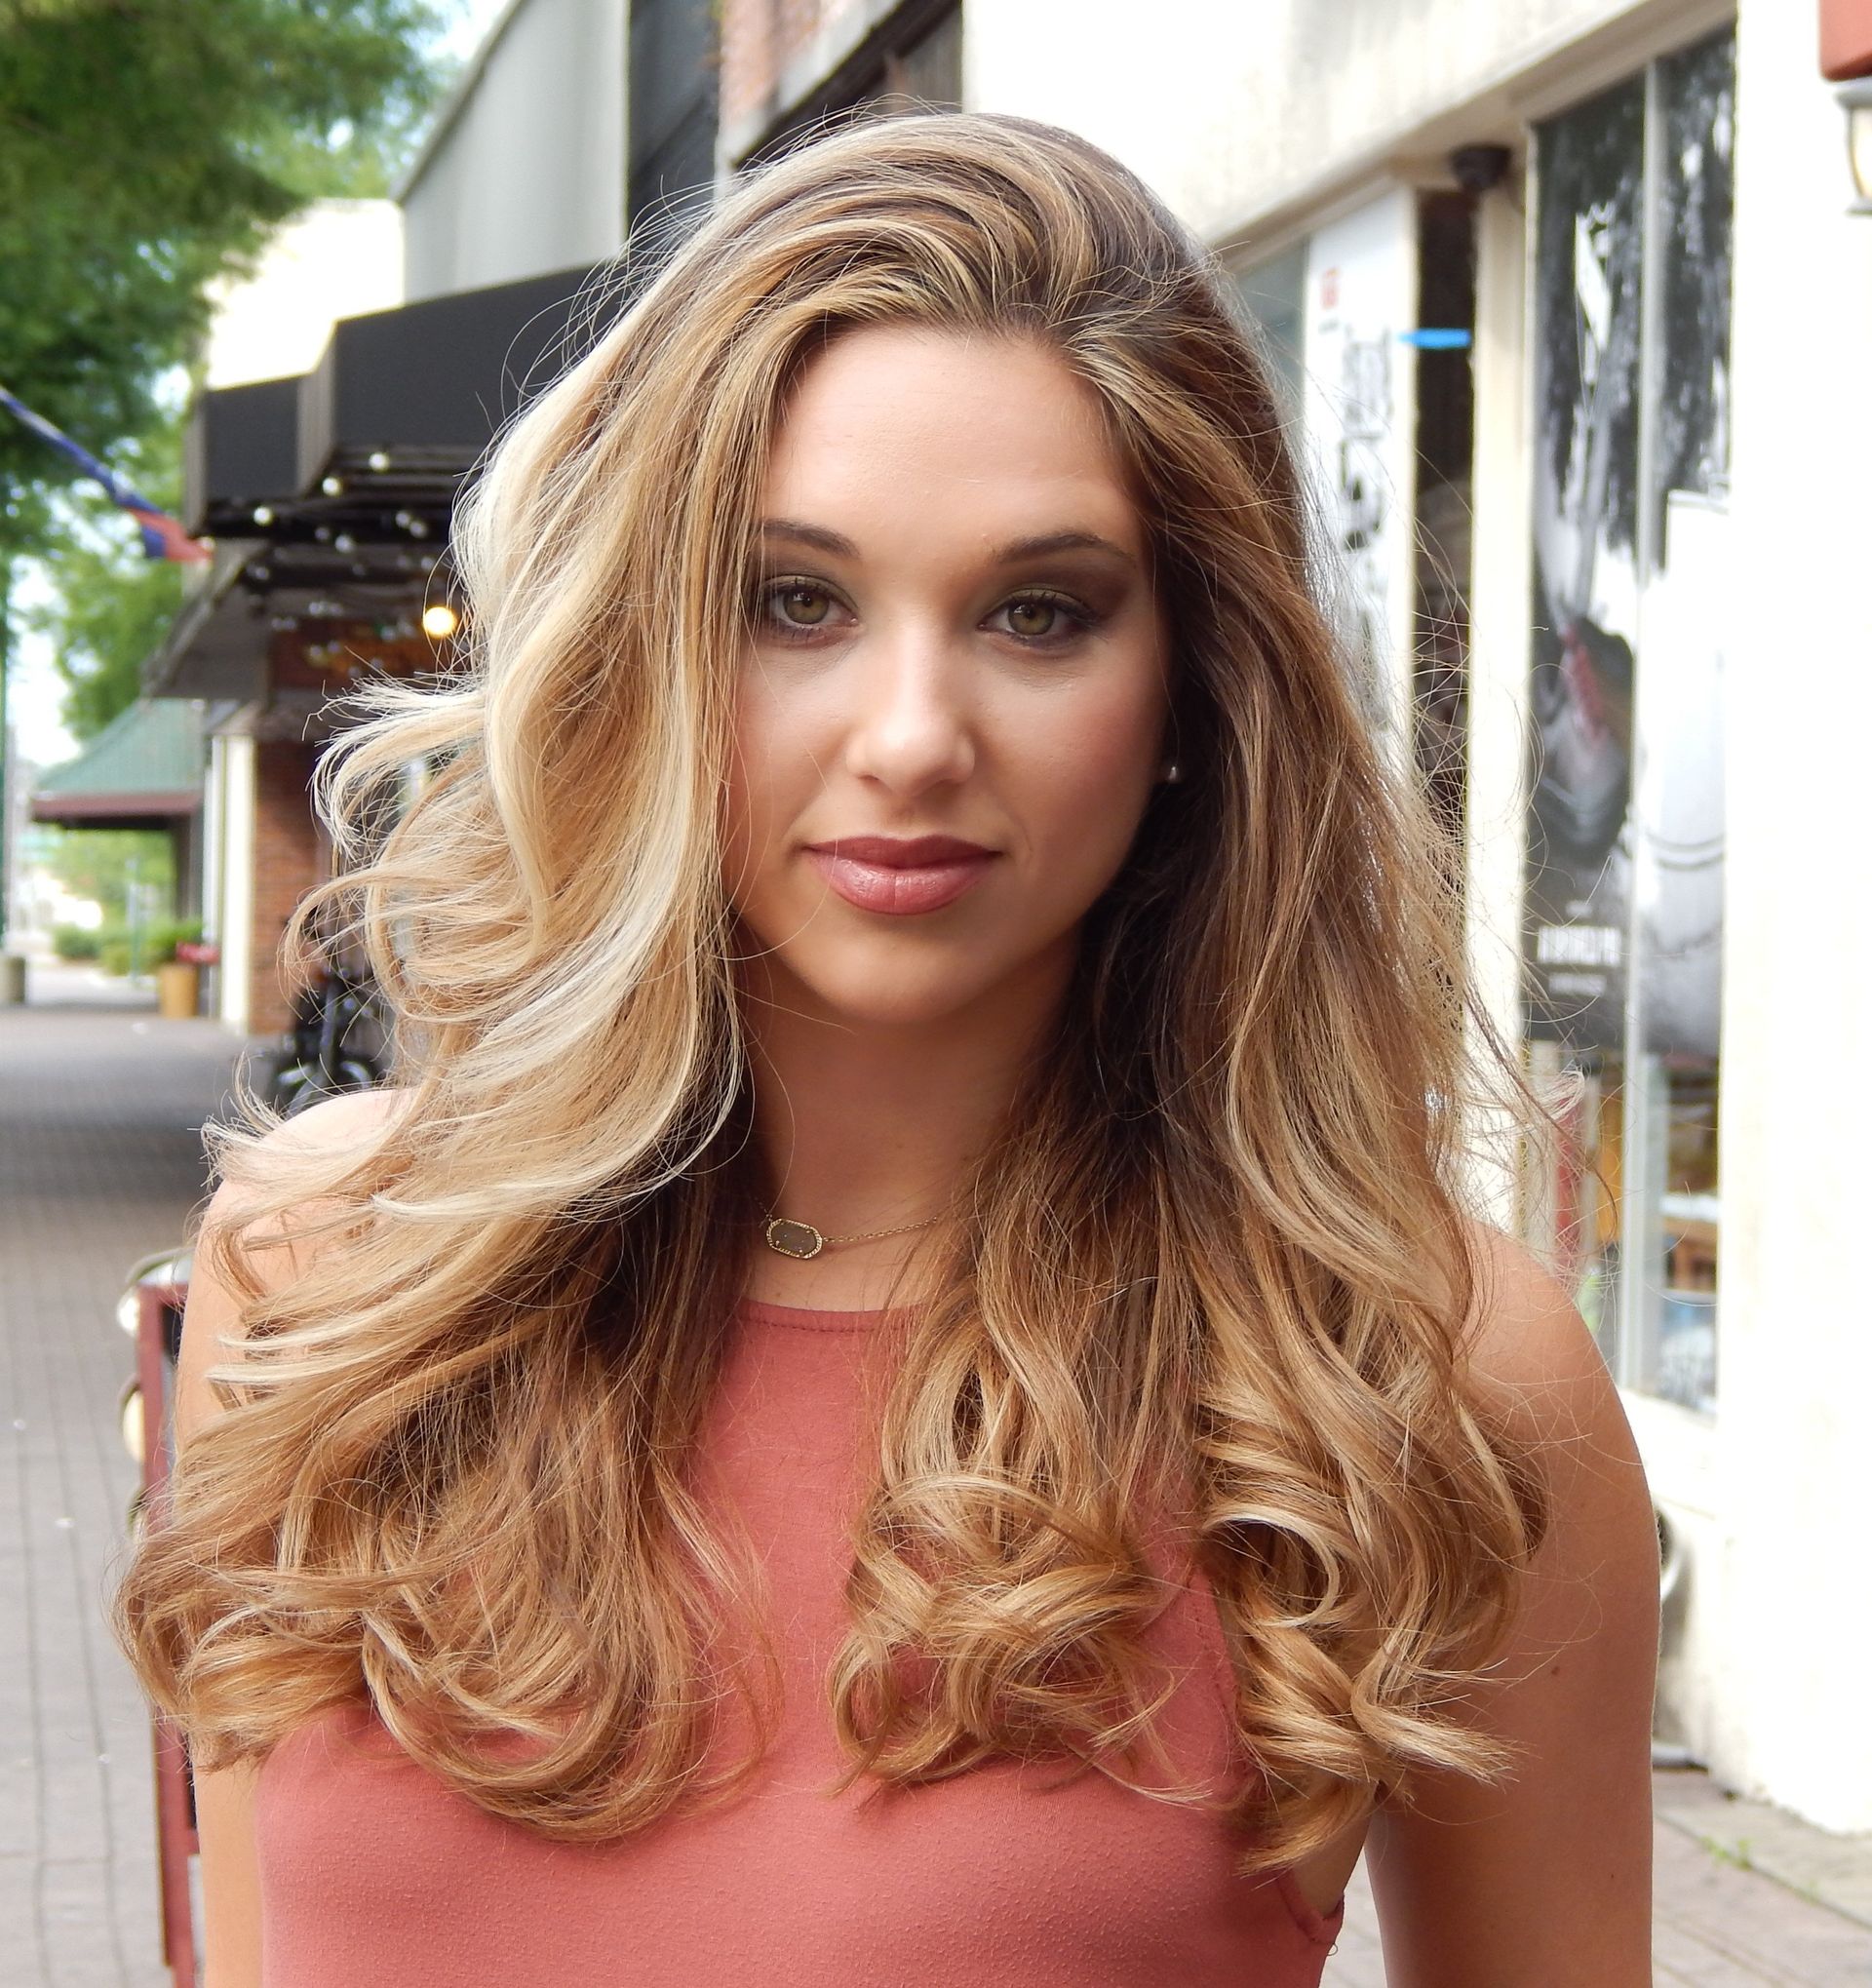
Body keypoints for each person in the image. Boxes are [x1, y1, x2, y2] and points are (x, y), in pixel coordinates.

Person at [113, 110, 1658, 1987]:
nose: (913, 733)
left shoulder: (1415, 1369)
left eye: (1039, 611)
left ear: (1187, 689)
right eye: (796, 601)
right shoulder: (331, 1278)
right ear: (648, 646)